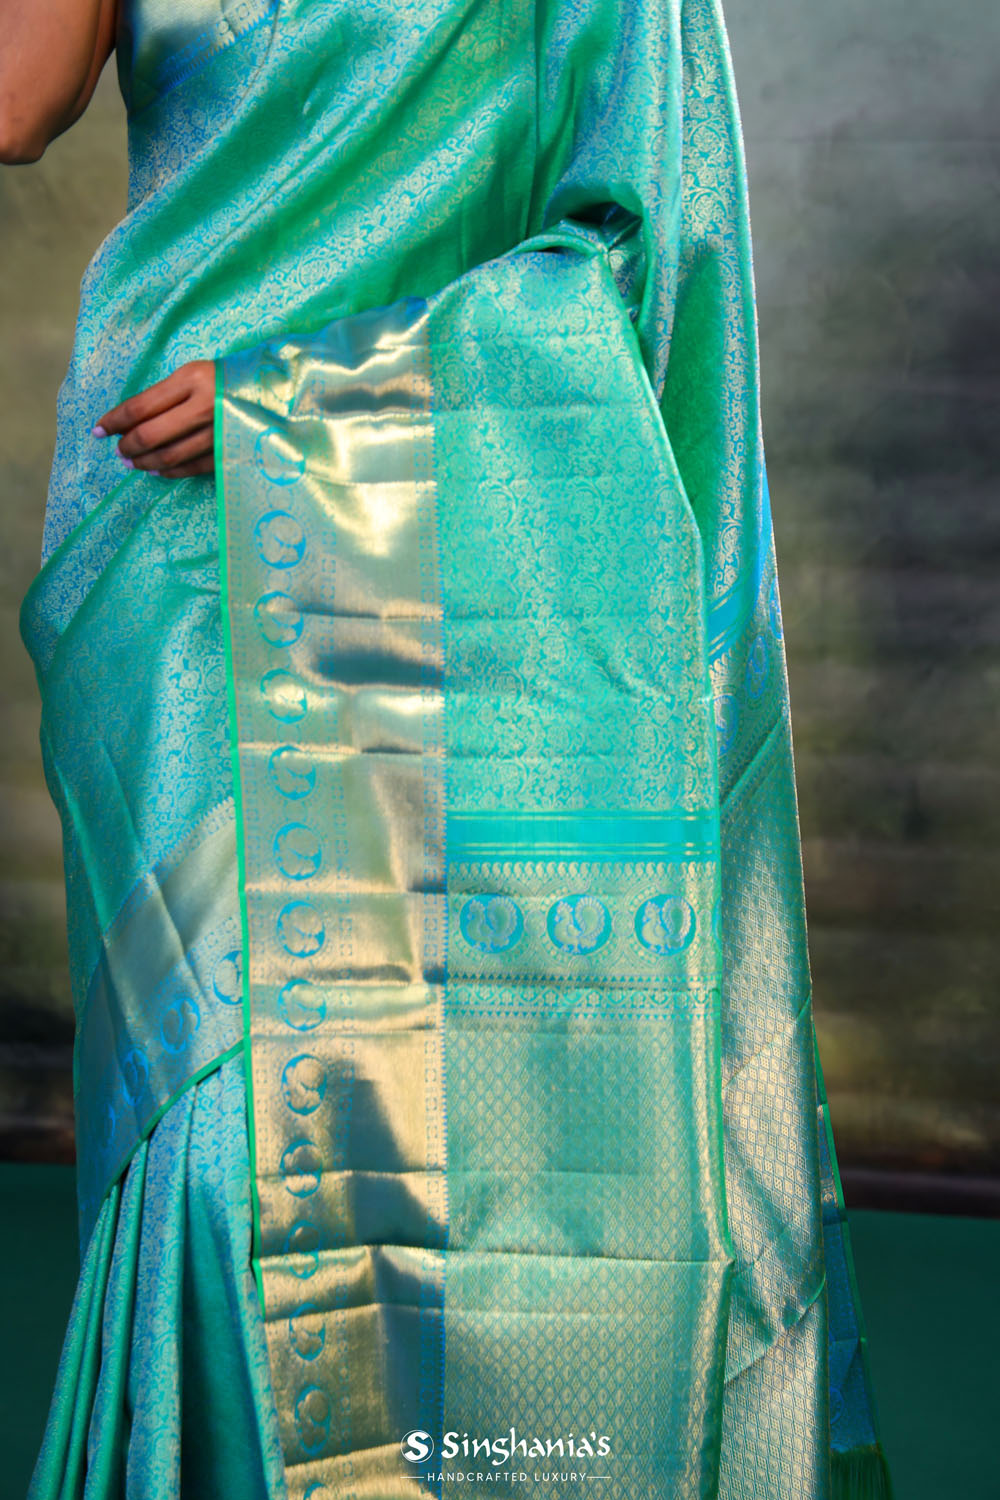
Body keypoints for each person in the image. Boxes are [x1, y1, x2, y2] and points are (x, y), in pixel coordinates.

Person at [2, 0, 895, 1496]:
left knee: (459, 1102)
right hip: (173, 525)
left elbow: (640, 249)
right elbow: (18, 103)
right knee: (228, 1127)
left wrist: (323, 389)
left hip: (454, 509)